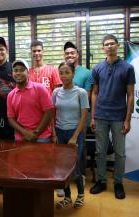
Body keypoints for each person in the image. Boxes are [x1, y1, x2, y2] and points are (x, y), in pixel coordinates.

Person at [90, 34, 136, 199]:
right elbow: (94, 93)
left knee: (120, 153)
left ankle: (118, 183)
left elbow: (130, 95)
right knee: (100, 151)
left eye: (112, 43)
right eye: (106, 44)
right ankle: (101, 181)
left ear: (117, 45)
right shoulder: (97, 68)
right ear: (103, 48)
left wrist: (128, 119)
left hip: (119, 117)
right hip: (101, 116)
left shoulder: (127, 68)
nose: (109, 46)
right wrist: (93, 117)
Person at [53, 62, 89, 209]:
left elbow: (84, 116)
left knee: (75, 168)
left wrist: (75, 136)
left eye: (67, 72)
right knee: (62, 168)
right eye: (61, 73)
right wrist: (54, 133)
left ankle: (80, 195)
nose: (64, 76)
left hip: (75, 132)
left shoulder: (81, 92)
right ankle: (67, 197)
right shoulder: (56, 92)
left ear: (73, 74)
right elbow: (51, 114)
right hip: (59, 132)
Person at [63, 41, 93, 196]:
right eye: (67, 53)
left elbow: (86, 97)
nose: (69, 55)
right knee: (64, 152)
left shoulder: (87, 73)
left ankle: (80, 176)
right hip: (64, 118)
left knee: (80, 149)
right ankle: (66, 179)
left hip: (81, 116)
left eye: (72, 53)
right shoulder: (63, 70)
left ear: (77, 54)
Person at [7, 59, 54, 142]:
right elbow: (11, 118)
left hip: (42, 137)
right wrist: (25, 133)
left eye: (22, 70)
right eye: (15, 70)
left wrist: (35, 133)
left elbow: (49, 112)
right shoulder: (11, 95)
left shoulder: (40, 88)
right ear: (12, 73)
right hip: (21, 138)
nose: (18, 73)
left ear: (28, 72)